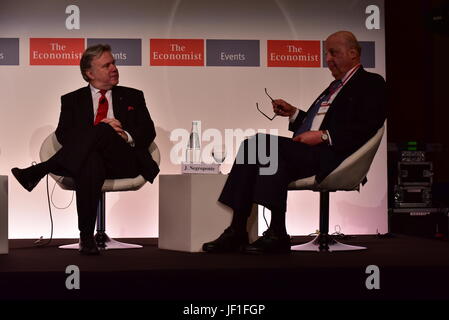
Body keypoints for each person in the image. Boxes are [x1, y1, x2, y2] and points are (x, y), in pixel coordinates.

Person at [202, 31, 386, 254]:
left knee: (264, 145)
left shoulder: (371, 83)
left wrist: (324, 136)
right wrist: (294, 114)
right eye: (326, 53)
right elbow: (316, 123)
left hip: (335, 154)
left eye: (333, 53)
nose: (327, 59)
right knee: (257, 146)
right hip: (309, 152)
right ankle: (246, 231)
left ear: (353, 53)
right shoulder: (334, 87)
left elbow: (368, 124)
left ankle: (259, 232)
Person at [11, 44, 159, 255]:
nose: (114, 68)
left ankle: (39, 170)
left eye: (114, 63)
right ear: (89, 73)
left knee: (104, 132)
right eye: (106, 65)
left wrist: (124, 134)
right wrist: (101, 131)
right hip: (89, 162)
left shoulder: (133, 96)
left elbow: (148, 131)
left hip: (125, 160)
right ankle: (87, 237)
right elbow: (63, 135)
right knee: (92, 160)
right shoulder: (71, 100)